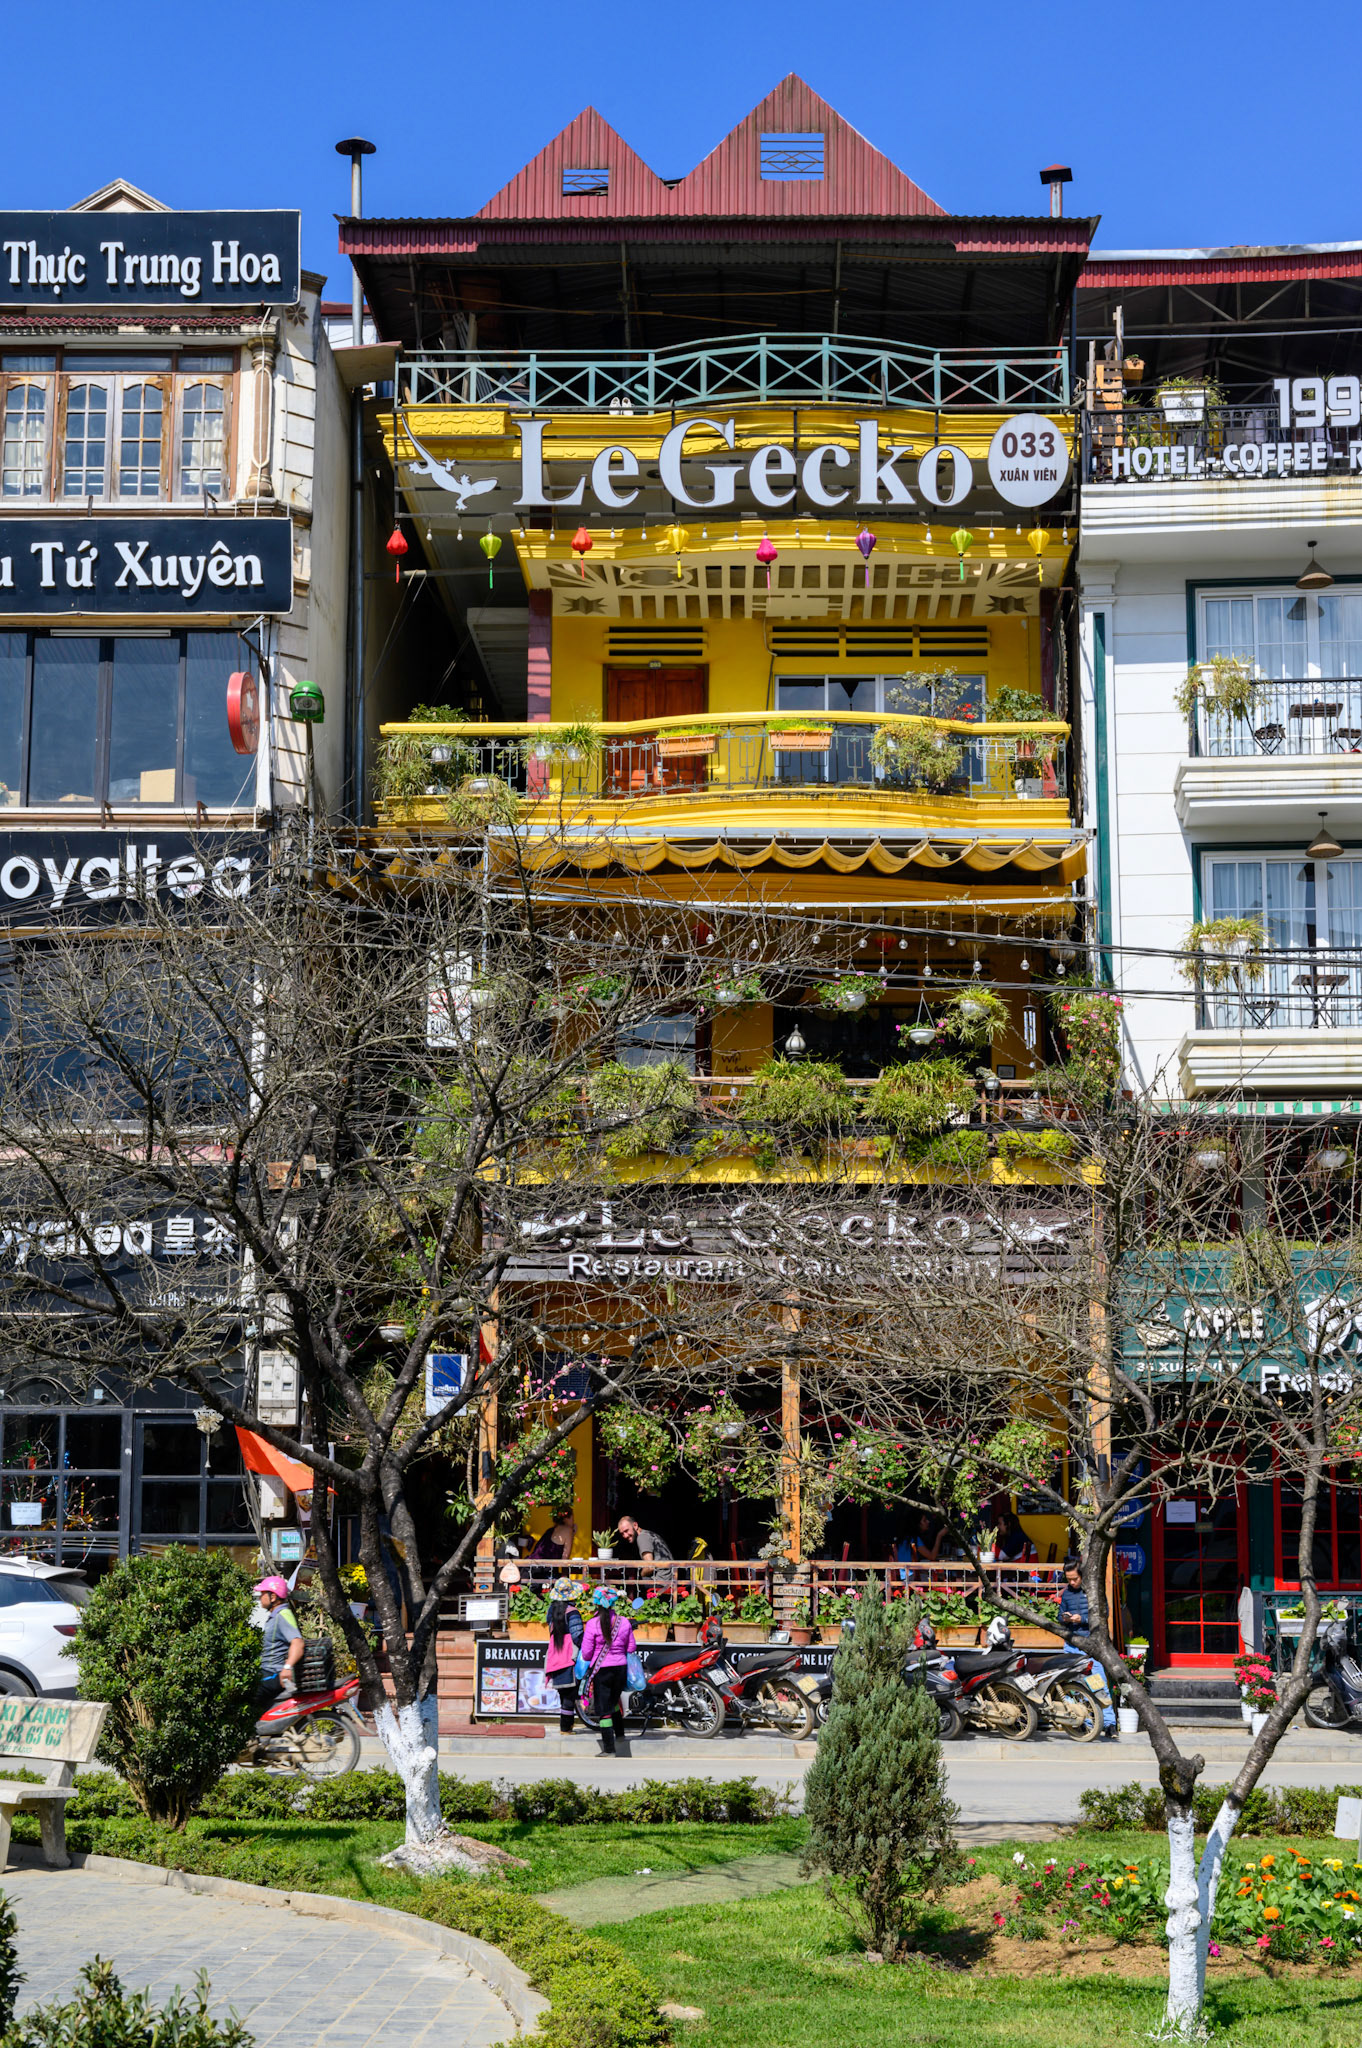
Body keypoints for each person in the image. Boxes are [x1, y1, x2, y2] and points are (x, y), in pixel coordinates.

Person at [578, 1584, 636, 1757]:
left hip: (601, 1670)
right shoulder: (624, 1622)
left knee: (604, 1709)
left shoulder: (592, 1624)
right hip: (620, 1668)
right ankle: (620, 1734)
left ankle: (609, 1748)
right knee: (613, 1701)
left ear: (596, 1603)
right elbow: (631, 1647)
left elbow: (587, 1653)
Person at [254, 1575, 304, 1709]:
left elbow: (297, 1642)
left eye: (263, 1594)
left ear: (273, 1597)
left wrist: (287, 1667)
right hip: (266, 1672)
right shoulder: (275, 1615)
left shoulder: (283, 1615)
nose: (260, 1597)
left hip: (273, 1674)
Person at [542, 1577, 584, 1735]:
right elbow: (577, 1636)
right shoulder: (573, 1613)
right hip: (569, 1656)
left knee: (563, 1693)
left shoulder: (551, 1611)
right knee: (570, 1695)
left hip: (555, 1655)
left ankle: (566, 1726)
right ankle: (565, 1728)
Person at [617, 1514, 674, 1594]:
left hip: (660, 1583)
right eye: (622, 1533)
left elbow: (650, 1567)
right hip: (668, 1580)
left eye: (626, 1531)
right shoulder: (649, 1534)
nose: (625, 1536)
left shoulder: (643, 1538)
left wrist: (640, 1573)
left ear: (635, 1525)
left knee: (629, 1585)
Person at [1057, 1560, 1090, 1637]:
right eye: (1069, 1579)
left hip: (1091, 1638)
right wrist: (1064, 1618)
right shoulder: (1066, 1593)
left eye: (1075, 1579)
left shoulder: (1093, 1591)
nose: (1072, 1582)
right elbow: (1059, 1617)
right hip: (1071, 1640)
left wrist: (1082, 1619)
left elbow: (1103, 1616)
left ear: (1082, 1575)